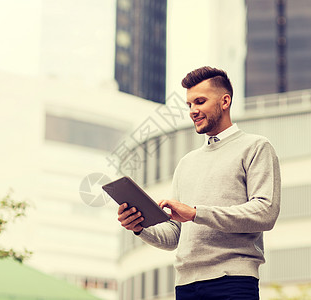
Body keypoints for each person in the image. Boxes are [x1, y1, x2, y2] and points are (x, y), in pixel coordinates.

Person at [118, 66, 281, 299]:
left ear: (225, 101)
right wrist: (140, 228)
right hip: (186, 287)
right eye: (189, 105)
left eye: (200, 101)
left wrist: (196, 213)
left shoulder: (255, 147)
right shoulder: (186, 163)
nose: (193, 110)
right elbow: (175, 236)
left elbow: (265, 212)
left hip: (233, 282)